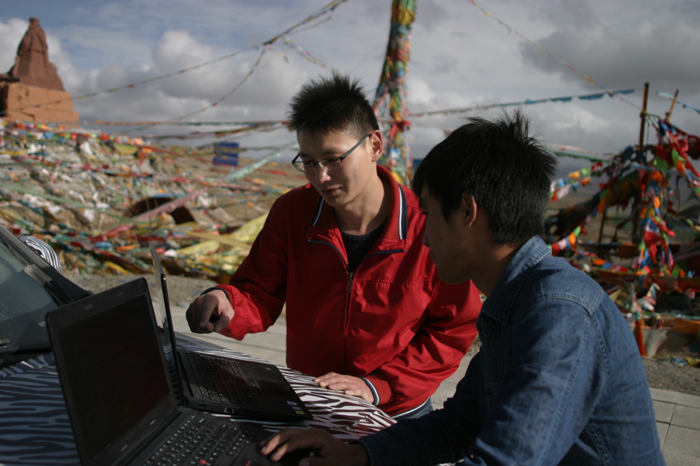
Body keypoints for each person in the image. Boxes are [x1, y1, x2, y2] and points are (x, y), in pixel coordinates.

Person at [260, 111, 665, 465]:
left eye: (429, 215)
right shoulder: (518, 300)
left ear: (468, 212)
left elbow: (504, 460)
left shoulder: (558, 313)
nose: (423, 237)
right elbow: (460, 423)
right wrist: (359, 455)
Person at [186, 73, 482, 418]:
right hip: (313, 398)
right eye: (308, 162)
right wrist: (226, 301)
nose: (320, 176)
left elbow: (453, 328)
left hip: (396, 412)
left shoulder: (427, 224)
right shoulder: (292, 213)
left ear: (374, 145)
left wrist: (378, 386)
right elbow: (258, 292)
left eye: (333, 158)